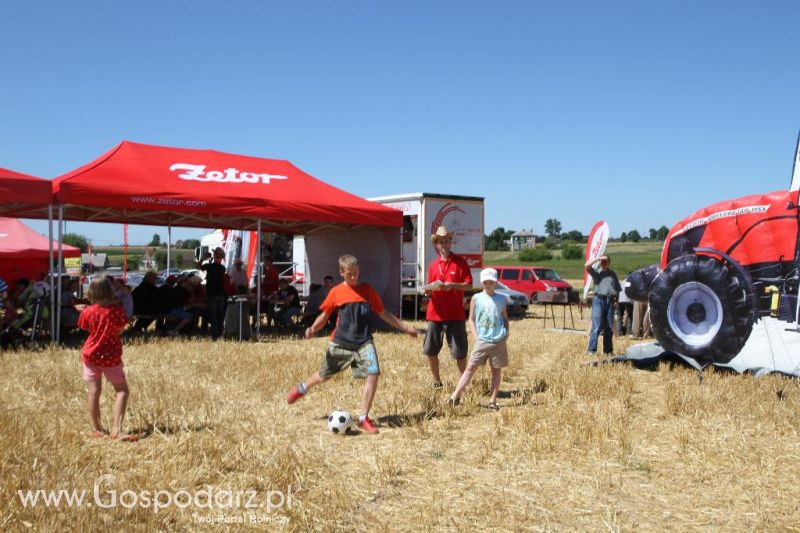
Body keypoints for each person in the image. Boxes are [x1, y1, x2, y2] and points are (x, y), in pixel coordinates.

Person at [286, 254, 418, 434]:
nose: (354, 276)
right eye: (349, 274)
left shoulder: (368, 291)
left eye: (356, 272)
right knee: (324, 376)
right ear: (341, 273)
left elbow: (383, 313)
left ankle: (363, 418)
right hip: (341, 342)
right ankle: (302, 388)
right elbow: (325, 315)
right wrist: (313, 328)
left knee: (373, 373)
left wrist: (404, 327)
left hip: (364, 342)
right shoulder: (336, 292)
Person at [77, 276, 138, 441]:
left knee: (94, 391)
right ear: (111, 291)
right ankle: (116, 430)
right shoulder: (117, 311)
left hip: (90, 355)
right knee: (122, 390)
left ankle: (97, 430)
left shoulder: (87, 311)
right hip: (110, 356)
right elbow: (122, 325)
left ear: (91, 292)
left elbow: (84, 326)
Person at [448, 268, 510, 410]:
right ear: (482, 282)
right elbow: (471, 319)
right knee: (470, 367)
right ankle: (455, 396)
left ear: (496, 282)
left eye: (491, 281)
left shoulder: (501, 298)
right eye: (486, 282)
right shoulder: (476, 298)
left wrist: (506, 332)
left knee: (496, 370)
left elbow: (504, 318)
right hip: (482, 340)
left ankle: (492, 401)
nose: (488, 284)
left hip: (498, 341)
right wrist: (476, 337)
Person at [423, 225, 473, 388]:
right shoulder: (432, 265)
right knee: (430, 350)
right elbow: (431, 286)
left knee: (460, 352)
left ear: (451, 242)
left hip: (455, 314)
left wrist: (453, 285)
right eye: (440, 242)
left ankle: (462, 384)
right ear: (436, 244)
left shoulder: (460, 263)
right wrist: (428, 292)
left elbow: (469, 286)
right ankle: (436, 381)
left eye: (446, 241)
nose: (444, 244)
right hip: (435, 314)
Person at [585, 255, 622, 355]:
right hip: (598, 300)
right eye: (602, 261)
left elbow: (617, 289)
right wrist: (598, 258)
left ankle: (608, 351)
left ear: (609, 262)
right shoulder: (597, 272)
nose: (604, 263)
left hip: (610, 301)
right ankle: (591, 350)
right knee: (596, 326)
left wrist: (616, 301)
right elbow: (587, 265)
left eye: (606, 261)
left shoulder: (613, 274)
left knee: (609, 327)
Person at [199, 247, 227, 340]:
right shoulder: (223, 268)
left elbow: (199, 266)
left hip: (211, 294)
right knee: (220, 316)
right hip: (220, 294)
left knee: (213, 315)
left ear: (214, 256)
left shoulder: (209, 266)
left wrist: (203, 258)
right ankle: (220, 333)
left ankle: (215, 335)